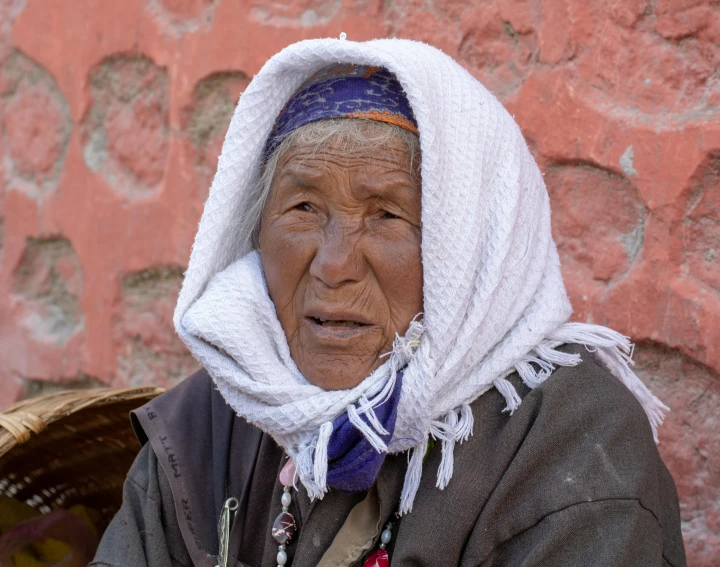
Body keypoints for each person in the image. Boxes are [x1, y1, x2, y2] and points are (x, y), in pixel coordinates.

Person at [91, 38, 686, 567]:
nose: (334, 265)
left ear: (467, 253)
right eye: (303, 209)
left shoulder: (566, 434)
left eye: (387, 215)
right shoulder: (218, 416)